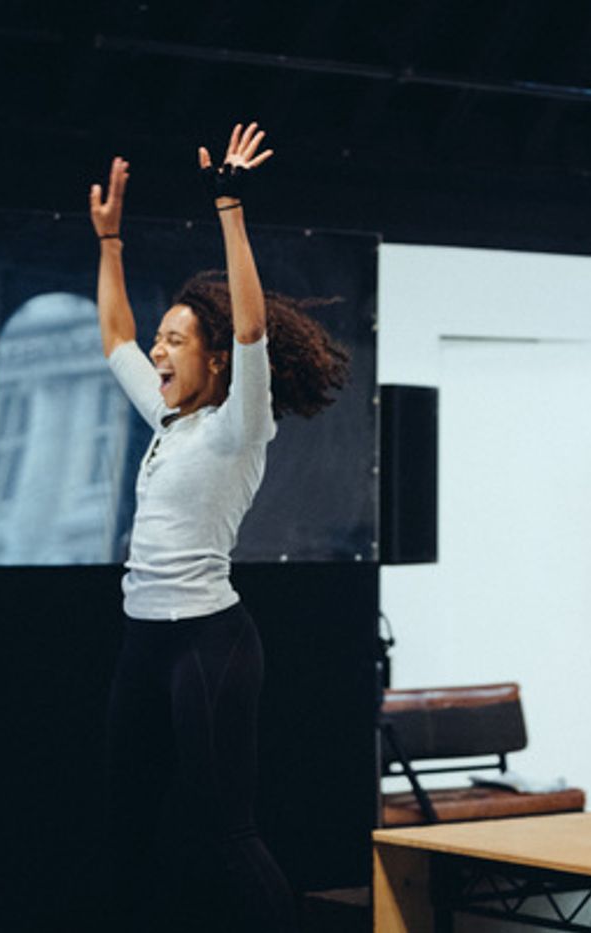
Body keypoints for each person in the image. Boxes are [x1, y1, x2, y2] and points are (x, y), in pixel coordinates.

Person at [88, 122, 349, 931]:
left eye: (176, 340)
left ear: (215, 359)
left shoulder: (240, 425)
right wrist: (110, 242)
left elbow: (250, 328)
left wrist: (229, 208)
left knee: (224, 832)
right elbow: (115, 337)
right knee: (124, 828)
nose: (158, 351)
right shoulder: (169, 419)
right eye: (161, 340)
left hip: (208, 643)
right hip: (143, 642)